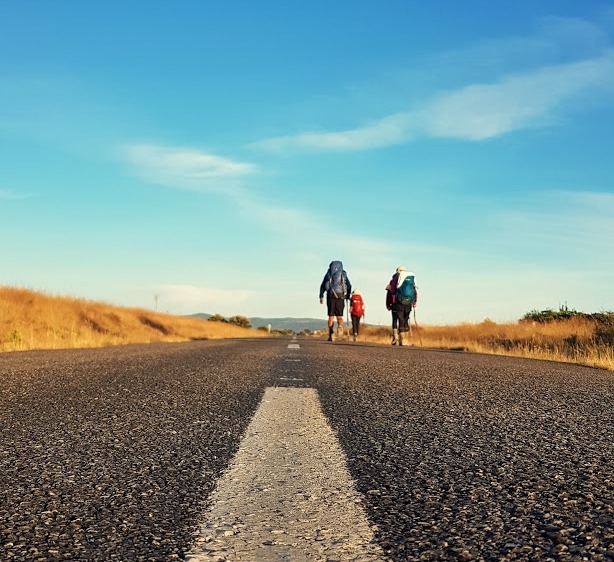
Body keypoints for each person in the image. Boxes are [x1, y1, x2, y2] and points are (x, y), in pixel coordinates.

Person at [319, 260, 351, 341]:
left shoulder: (329, 274)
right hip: (340, 296)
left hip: (330, 296)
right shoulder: (343, 274)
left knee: (331, 316)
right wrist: (347, 296)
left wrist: (321, 296)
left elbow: (322, 285)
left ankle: (331, 334)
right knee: (339, 316)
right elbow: (349, 285)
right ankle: (340, 326)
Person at [386, 266, 417, 346]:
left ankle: (398, 339)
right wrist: (414, 302)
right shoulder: (410, 279)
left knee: (398, 319)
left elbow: (391, 292)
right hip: (408, 302)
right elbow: (415, 291)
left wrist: (388, 304)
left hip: (397, 302)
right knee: (405, 319)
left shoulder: (394, 279)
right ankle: (405, 340)